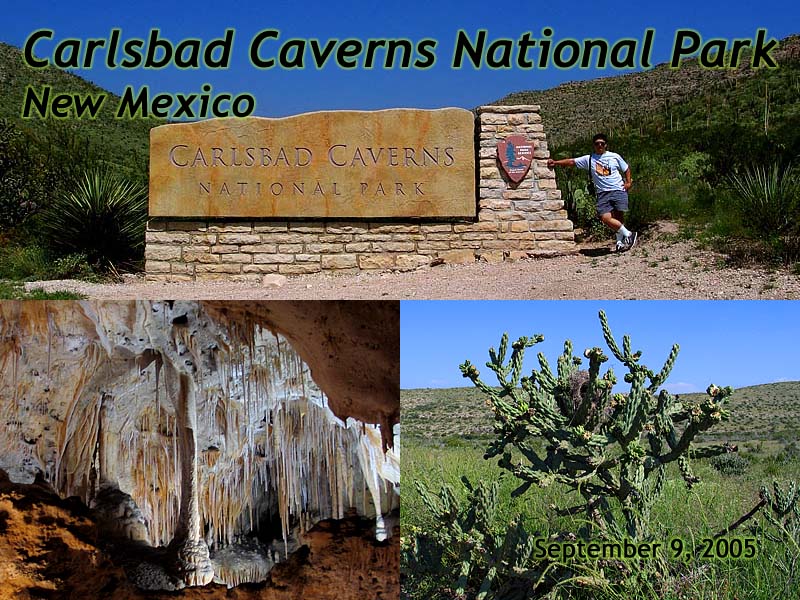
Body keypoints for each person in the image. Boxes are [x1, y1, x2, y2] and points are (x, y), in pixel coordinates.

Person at [547, 133, 637, 252]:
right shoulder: (589, 159)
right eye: (597, 144)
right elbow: (572, 162)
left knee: (619, 216)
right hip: (602, 193)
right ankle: (629, 234)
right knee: (606, 218)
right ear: (594, 145)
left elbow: (626, 168)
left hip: (618, 189)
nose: (600, 145)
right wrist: (556, 163)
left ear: (606, 145)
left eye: (602, 143)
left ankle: (620, 242)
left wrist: (628, 182)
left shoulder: (614, 156)